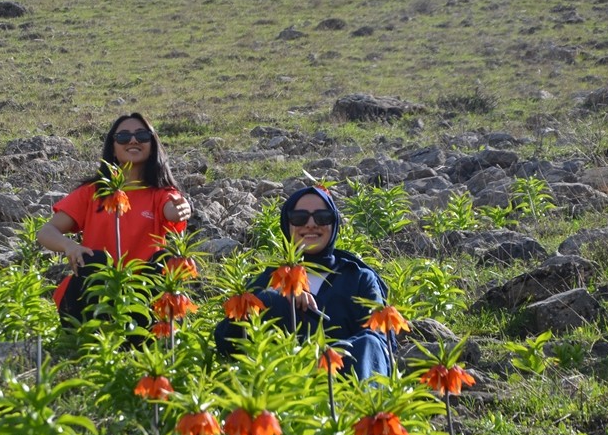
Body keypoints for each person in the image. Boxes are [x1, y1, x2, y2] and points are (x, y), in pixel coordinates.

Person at [214, 186, 391, 380]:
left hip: (345, 379)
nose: (311, 224)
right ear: (287, 224)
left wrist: (329, 354)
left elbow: (378, 341)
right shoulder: (269, 278)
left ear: (334, 223)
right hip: (284, 382)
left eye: (323, 217)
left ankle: (362, 398)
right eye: (299, 218)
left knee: (369, 342)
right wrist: (272, 299)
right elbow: (225, 341)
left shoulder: (358, 277)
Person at [37, 113, 191, 326]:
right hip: (96, 289)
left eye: (142, 135)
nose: (133, 140)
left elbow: (172, 209)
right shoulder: (92, 191)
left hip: (140, 292)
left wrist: (181, 208)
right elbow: (46, 232)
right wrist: (69, 246)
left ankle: (155, 327)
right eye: (124, 136)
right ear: (113, 147)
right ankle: (86, 330)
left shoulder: (161, 193)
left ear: (152, 144)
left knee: (164, 260)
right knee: (95, 260)